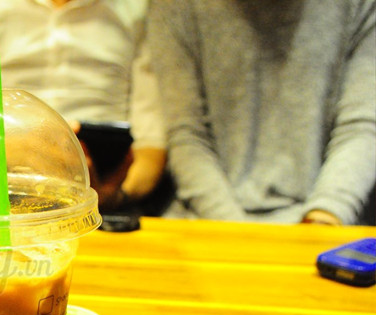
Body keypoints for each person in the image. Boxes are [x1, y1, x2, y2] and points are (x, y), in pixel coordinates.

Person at [148, 0, 376, 225]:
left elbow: (361, 129)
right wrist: (239, 233)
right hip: (207, 219)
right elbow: (188, 136)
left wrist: (324, 217)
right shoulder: (174, 6)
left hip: (323, 217)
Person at [0, 0, 169, 214]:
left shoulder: (143, 7)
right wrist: (26, 152)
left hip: (108, 204)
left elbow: (152, 145)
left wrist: (112, 197)